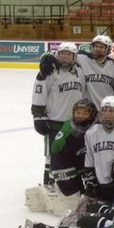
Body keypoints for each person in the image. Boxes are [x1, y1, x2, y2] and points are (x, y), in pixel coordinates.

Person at [32, 42, 86, 186]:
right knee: (51, 156)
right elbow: (39, 92)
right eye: (62, 53)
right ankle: (48, 184)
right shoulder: (49, 71)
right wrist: (37, 116)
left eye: (68, 54)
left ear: (74, 56)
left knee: (73, 154)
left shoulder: (79, 71)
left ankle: (70, 185)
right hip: (54, 122)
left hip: (74, 123)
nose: (64, 57)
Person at [79, 35, 114, 108]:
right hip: (88, 108)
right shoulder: (82, 58)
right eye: (96, 46)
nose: (97, 49)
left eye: (101, 47)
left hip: (106, 107)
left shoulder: (113, 65)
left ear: (108, 49)